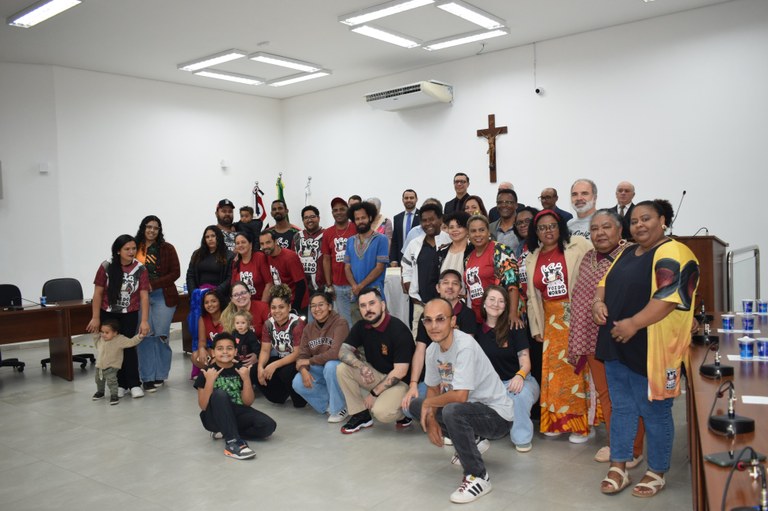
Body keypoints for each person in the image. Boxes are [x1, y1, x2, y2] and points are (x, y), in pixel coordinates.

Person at [593, 199, 699, 497]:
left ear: (662, 220)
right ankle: (619, 465)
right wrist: (597, 302)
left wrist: (634, 323)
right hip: (618, 343)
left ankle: (657, 471)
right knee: (622, 408)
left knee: (655, 411)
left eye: (646, 218)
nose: (639, 224)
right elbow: (604, 282)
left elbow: (668, 297)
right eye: (634, 220)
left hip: (654, 348)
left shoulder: (674, 251)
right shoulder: (627, 252)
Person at [407, 298, 514, 504]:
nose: (434, 326)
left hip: (497, 416)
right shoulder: (432, 350)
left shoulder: (465, 345)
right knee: (416, 405)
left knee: (451, 410)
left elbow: (460, 396)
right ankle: (474, 440)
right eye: (428, 320)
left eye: (440, 319)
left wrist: (430, 406)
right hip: (470, 411)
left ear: (453, 321)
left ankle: (478, 477)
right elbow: (432, 389)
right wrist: (430, 418)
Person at [569, 209, 645, 466]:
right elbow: (580, 297)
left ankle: (634, 449)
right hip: (592, 338)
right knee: (606, 394)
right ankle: (617, 445)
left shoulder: (632, 254)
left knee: (628, 395)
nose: (599, 233)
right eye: (594, 229)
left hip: (622, 337)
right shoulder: (588, 257)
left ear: (620, 230)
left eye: (606, 227)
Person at [525, 209, 591, 441]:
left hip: (576, 317)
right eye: (542, 227)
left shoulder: (578, 246)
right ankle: (555, 422)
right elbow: (531, 298)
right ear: (536, 232)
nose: (548, 231)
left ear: (560, 227)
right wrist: (536, 327)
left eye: (552, 226)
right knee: (553, 375)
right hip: (550, 321)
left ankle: (580, 425)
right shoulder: (532, 257)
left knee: (575, 371)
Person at [336, 287, 414, 434]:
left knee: (381, 413)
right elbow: (342, 350)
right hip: (377, 374)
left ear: (382, 305)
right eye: (363, 305)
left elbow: (401, 371)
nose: (368, 309)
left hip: (401, 382)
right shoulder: (361, 326)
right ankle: (361, 415)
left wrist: (374, 394)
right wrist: (361, 366)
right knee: (343, 368)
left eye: (372, 303)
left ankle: (404, 413)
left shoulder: (398, 329)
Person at [402, 269, 477, 416]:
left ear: (461, 290)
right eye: (445, 283)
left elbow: (468, 353)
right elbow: (420, 351)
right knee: (408, 408)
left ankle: (445, 419)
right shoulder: (428, 313)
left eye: (455, 284)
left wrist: (448, 378)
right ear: (438, 288)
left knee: (449, 407)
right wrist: (413, 384)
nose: (450, 287)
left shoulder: (468, 315)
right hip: (433, 378)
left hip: (459, 379)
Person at [86, 234, 150, 399]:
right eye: (127, 249)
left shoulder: (140, 269)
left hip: (130, 313)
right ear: (118, 251)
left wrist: (144, 321)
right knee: (113, 349)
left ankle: (134, 384)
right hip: (108, 313)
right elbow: (98, 293)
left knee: (128, 347)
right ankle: (120, 384)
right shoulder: (106, 266)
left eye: (134, 248)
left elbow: (144, 296)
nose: (131, 252)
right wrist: (95, 317)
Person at [476, 286, 539, 453]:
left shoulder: (515, 327)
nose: (496, 304)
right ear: (484, 303)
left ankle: (522, 438)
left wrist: (519, 376)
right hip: (490, 386)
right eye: (492, 299)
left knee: (519, 394)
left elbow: (525, 362)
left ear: (506, 306)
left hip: (518, 381)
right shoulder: (477, 331)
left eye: (501, 301)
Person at [194, 332, 276, 460]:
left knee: (268, 426)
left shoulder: (241, 369)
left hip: (237, 412)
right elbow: (204, 406)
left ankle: (228, 431)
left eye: (229, 348)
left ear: (235, 351)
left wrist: (246, 379)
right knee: (220, 394)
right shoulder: (207, 372)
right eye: (220, 349)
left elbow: (247, 403)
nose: (225, 352)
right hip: (213, 417)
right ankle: (232, 443)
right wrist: (209, 381)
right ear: (213, 352)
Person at [134, 215, 180, 393]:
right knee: (144, 335)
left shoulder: (167, 248)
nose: (152, 230)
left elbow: (175, 272)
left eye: (155, 228)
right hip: (139, 296)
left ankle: (160, 373)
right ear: (143, 228)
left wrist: (154, 284)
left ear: (159, 230)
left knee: (161, 335)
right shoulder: (135, 247)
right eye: (149, 227)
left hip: (163, 295)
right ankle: (146, 377)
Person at [292, 291, 350, 422]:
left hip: (340, 367)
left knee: (330, 366)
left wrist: (309, 361)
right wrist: (303, 370)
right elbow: (302, 355)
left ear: (329, 306)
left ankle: (339, 408)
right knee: (297, 382)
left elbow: (335, 353)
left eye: (321, 305)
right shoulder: (308, 328)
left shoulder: (340, 323)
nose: (317, 309)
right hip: (320, 367)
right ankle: (330, 404)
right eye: (313, 306)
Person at [463, 215, 522, 327]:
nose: (477, 234)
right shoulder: (468, 259)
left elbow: (512, 283)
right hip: (479, 320)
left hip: (500, 316)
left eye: (481, 230)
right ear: (468, 235)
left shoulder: (500, 250)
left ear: (488, 232)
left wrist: (513, 313)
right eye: (473, 231)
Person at [256, 285, 307, 407]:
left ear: (289, 307)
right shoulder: (268, 324)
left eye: (281, 307)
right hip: (282, 358)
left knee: (286, 372)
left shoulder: (297, 323)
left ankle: (300, 399)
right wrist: (260, 367)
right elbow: (265, 350)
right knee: (253, 370)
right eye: (273, 307)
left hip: (298, 360)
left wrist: (274, 365)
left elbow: (297, 353)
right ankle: (279, 396)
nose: (277, 311)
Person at [401, 202, 443, 335]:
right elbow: (406, 267)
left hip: (445, 304)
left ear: (440, 220)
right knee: (419, 340)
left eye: (432, 219)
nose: (428, 223)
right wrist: (411, 292)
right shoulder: (414, 244)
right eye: (424, 220)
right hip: (420, 304)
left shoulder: (449, 241)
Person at [344, 201, 389, 310]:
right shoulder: (350, 241)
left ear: (370, 217)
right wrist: (354, 286)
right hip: (356, 295)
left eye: (363, 218)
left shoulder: (381, 239)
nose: (360, 221)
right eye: (357, 219)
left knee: (378, 319)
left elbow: (379, 268)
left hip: (375, 293)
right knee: (356, 321)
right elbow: (347, 267)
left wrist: (360, 286)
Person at [322, 197, 357, 326]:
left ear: (348, 210)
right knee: (345, 322)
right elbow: (326, 259)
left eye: (342, 209)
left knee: (360, 320)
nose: (339, 212)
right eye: (335, 210)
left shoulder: (356, 228)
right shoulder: (328, 233)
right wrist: (329, 284)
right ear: (332, 213)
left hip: (356, 284)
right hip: (338, 286)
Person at [92, 319, 145, 405]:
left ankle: (114, 395)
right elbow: (96, 343)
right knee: (98, 380)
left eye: (107, 332)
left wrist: (139, 337)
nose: (104, 334)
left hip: (112, 367)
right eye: (102, 332)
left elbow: (131, 342)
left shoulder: (119, 340)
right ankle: (100, 392)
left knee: (112, 381)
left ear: (115, 333)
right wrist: (95, 333)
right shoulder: (101, 339)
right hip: (100, 366)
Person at [260, 230, 308, 313]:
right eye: (262, 244)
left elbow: (301, 285)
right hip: (281, 304)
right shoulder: (266, 256)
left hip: (297, 304)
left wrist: (294, 309)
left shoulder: (289, 257)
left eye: (268, 242)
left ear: (275, 241)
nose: (265, 246)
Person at [185, 225, 233, 294]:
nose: (210, 239)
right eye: (207, 237)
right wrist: (194, 292)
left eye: (213, 236)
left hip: (219, 294)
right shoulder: (197, 254)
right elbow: (190, 275)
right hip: (199, 294)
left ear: (219, 237)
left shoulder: (229, 255)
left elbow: (229, 278)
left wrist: (215, 292)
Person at [230, 231, 272, 302]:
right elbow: (233, 287)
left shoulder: (259, 257)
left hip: (260, 302)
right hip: (242, 304)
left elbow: (269, 283)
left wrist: (262, 305)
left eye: (243, 242)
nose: (240, 245)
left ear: (250, 244)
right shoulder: (235, 263)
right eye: (237, 243)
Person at [293, 205, 325, 295]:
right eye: (306, 218)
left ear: (318, 218)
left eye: (312, 217)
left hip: (322, 287)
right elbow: (293, 260)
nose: (309, 220)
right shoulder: (297, 236)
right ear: (303, 220)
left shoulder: (326, 234)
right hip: (302, 287)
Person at [437, 211, 472, 289]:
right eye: (451, 227)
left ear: (467, 229)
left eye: (459, 227)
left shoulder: (473, 251)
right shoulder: (441, 252)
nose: (454, 230)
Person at [193, 289, 225, 370]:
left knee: (215, 362)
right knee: (195, 356)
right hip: (213, 349)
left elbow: (228, 342)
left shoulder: (227, 316)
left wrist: (215, 354)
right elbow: (202, 341)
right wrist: (202, 349)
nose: (210, 305)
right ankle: (211, 372)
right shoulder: (203, 318)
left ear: (220, 302)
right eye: (206, 302)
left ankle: (215, 372)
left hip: (226, 350)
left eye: (213, 301)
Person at [390, 189, 420, 266]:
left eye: (411, 198)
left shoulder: (422, 216)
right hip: (401, 258)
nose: (409, 200)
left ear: (416, 199)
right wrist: (393, 259)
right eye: (406, 198)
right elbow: (395, 241)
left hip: (419, 257)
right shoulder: (397, 218)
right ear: (402, 200)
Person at [488, 188, 519, 253]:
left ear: (516, 205)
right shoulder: (490, 228)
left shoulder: (523, 227)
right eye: (500, 202)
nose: (504, 205)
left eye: (508, 202)